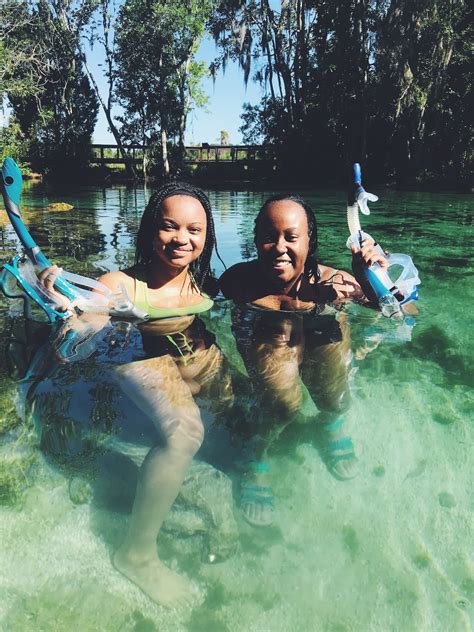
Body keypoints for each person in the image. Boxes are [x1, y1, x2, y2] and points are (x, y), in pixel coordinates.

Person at [36, 182, 232, 607]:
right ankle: (136, 553)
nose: (182, 239)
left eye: (194, 230)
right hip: (135, 354)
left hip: (190, 352)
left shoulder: (201, 285)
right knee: (184, 433)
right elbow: (88, 320)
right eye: (169, 227)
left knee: (241, 406)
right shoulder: (119, 282)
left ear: (206, 237)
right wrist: (64, 308)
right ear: (149, 230)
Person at [219, 193, 388, 528]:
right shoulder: (239, 280)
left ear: (310, 242)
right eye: (269, 237)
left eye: (291, 237)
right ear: (255, 241)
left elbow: (403, 312)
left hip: (320, 334)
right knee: (282, 404)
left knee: (335, 399)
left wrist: (372, 278)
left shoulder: (336, 282)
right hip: (267, 336)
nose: (279, 246)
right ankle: (256, 459)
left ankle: (330, 425)